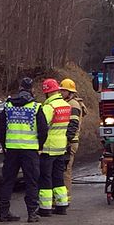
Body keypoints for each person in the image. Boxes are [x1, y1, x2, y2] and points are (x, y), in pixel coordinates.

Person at [0, 77, 48, 223]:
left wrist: (5, 144)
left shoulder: (8, 106)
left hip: (11, 149)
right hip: (30, 150)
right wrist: (40, 146)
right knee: (31, 182)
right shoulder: (36, 107)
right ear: (31, 90)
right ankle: (32, 213)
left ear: (19, 88)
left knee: (7, 181)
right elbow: (43, 130)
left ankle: (4, 212)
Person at [39, 78, 71, 216]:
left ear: (47, 92)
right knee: (58, 177)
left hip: (48, 147)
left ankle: (45, 209)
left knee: (45, 178)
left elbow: (41, 126)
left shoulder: (49, 107)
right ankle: (61, 205)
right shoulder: (66, 105)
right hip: (61, 147)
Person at [60, 78, 88, 197]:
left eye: (63, 91)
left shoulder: (73, 105)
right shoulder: (70, 103)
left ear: (70, 92)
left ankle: (65, 198)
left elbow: (73, 125)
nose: (61, 93)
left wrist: (67, 140)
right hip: (69, 141)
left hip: (70, 142)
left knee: (66, 171)